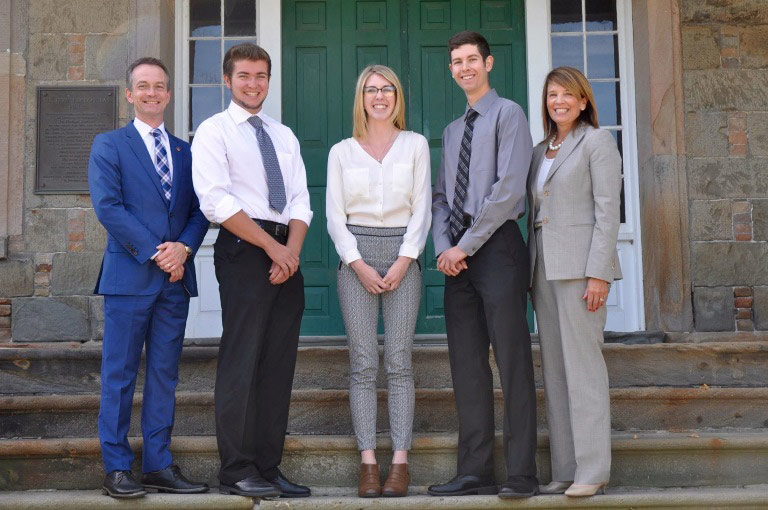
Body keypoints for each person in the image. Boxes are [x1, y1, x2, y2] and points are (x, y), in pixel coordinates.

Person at [191, 43, 312, 499]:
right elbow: (217, 201)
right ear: (228, 79)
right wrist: (271, 248)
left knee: (278, 365)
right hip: (244, 247)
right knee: (242, 359)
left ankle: (268, 465)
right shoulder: (214, 131)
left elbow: (300, 200)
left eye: (261, 75)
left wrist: (290, 252)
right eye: (244, 75)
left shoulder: (284, 135)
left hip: (286, 250)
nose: (253, 83)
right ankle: (236, 469)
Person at [88, 57, 210, 499]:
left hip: (175, 281)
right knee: (119, 375)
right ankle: (117, 468)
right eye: (143, 86)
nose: (152, 93)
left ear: (169, 93)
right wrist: (161, 253)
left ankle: (158, 463)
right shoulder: (109, 144)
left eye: (160, 86)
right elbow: (109, 208)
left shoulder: (185, 150)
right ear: (129, 94)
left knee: (164, 375)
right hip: (129, 278)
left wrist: (186, 248)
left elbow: (200, 211)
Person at [428, 31, 538, 499]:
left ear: (488, 63)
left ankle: (521, 474)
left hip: (496, 249)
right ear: (451, 69)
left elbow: (509, 191)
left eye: (472, 59)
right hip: (457, 257)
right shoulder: (453, 131)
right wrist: (443, 247)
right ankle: (474, 470)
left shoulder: (509, 114)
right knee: (467, 367)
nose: (465, 67)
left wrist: (465, 245)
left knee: (512, 361)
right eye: (457, 61)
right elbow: (440, 199)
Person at [326, 65, 431, 498]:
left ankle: (400, 462)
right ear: (361, 98)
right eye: (371, 90)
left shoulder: (416, 145)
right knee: (364, 362)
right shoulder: (341, 151)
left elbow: (423, 207)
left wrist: (405, 260)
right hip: (357, 257)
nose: (380, 96)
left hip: (404, 254)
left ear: (397, 96)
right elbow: (334, 216)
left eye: (387, 89)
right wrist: (358, 264)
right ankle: (369, 462)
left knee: (400, 361)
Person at [528, 66, 622, 498]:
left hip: (582, 271)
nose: (559, 101)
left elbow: (608, 212)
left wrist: (599, 272)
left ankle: (593, 470)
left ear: (584, 100)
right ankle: (565, 469)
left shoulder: (597, 142)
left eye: (568, 94)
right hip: (542, 271)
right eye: (552, 95)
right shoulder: (538, 151)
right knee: (557, 373)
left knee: (583, 370)